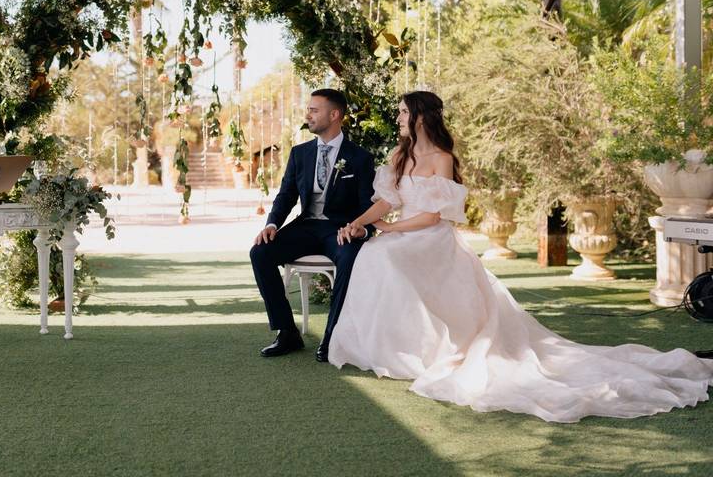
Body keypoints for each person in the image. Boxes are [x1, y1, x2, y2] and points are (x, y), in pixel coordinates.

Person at [329, 91, 713, 422]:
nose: (397, 118)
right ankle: (392, 348)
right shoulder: (400, 154)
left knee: (388, 256)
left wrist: (391, 229)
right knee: (374, 255)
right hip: (403, 234)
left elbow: (433, 215)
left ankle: (426, 349)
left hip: (429, 237)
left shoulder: (442, 157)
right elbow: (388, 200)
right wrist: (360, 224)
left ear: (420, 116)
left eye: (402, 112)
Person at [250, 88, 375, 362]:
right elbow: (286, 195)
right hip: (306, 226)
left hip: (340, 229)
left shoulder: (360, 157)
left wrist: (361, 229)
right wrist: (272, 223)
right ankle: (287, 332)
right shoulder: (300, 153)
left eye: (314, 110)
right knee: (260, 252)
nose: (308, 115)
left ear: (334, 114)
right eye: (308, 109)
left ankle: (332, 338)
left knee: (350, 257)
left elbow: (368, 205)